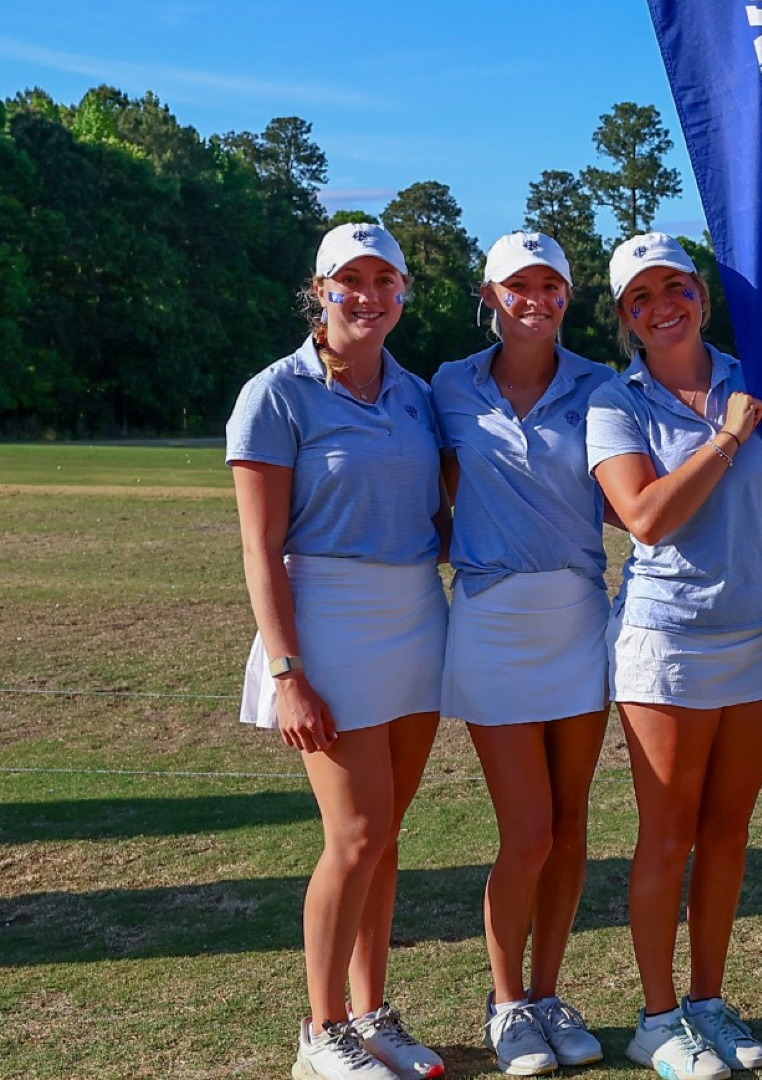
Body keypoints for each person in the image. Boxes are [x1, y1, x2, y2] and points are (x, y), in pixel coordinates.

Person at [586, 233, 762, 1080]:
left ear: (702, 295)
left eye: (676, 287)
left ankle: (711, 1003)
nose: (664, 306)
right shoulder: (617, 403)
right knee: (668, 836)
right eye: (642, 297)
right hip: (669, 642)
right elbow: (647, 516)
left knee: (728, 833)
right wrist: (723, 440)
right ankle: (657, 1018)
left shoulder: (755, 376)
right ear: (625, 318)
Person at [228, 223, 448, 1080]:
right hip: (326, 623)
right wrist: (288, 673)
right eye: (347, 280)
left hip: (415, 618)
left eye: (383, 279)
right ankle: (321, 1031)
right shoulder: (276, 393)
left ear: (402, 292)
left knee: (386, 836)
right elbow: (260, 547)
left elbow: (436, 518)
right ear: (319, 291)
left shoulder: (416, 393)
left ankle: (371, 1012)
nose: (367, 294)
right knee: (354, 835)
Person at [432, 231, 617, 1076]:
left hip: (577, 616)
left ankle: (547, 996)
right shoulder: (448, 386)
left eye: (549, 284)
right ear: (490, 293)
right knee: (530, 833)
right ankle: (506, 1004)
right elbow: (429, 487)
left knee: (572, 828)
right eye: (517, 285)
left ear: (567, 296)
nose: (533, 298)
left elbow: (627, 497)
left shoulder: (602, 387)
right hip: (493, 621)